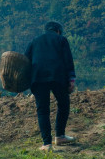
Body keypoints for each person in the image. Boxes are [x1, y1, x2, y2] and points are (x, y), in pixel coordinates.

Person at [25, 21, 76, 151]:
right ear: (58, 31)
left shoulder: (34, 41)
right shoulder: (61, 39)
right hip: (57, 77)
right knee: (64, 104)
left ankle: (47, 144)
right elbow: (68, 61)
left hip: (38, 78)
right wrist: (71, 80)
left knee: (43, 110)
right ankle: (60, 136)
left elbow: (25, 60)